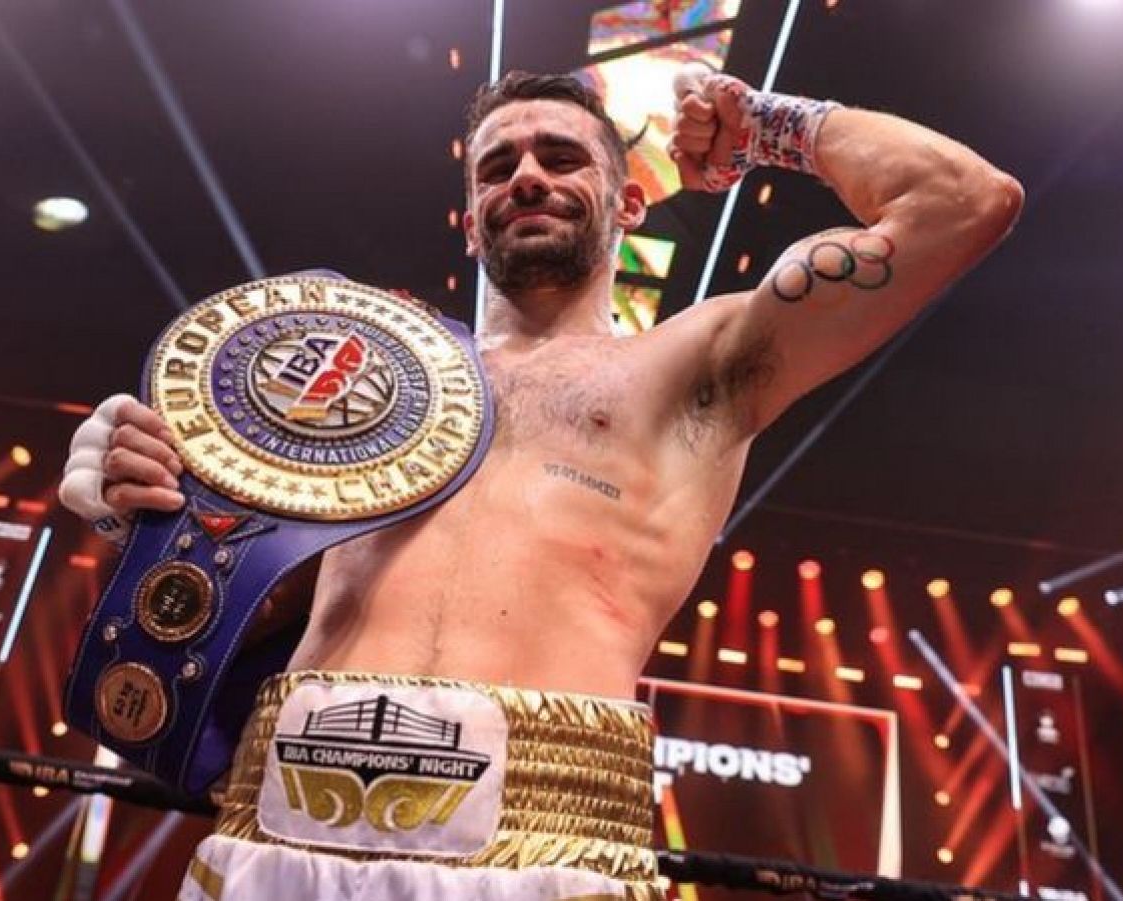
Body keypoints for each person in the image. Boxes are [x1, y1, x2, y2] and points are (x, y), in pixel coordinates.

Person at [60, 67, 1022, 900]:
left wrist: (765, 125)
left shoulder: (697, 366)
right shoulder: (362, 392)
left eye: (562, 158)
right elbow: (246, 590)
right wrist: (135, 496)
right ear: (470, 219)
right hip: (284, 823)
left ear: (627, 201)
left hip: (547, 835)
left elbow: (965, 201)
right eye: (497, 165)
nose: (527, 174)